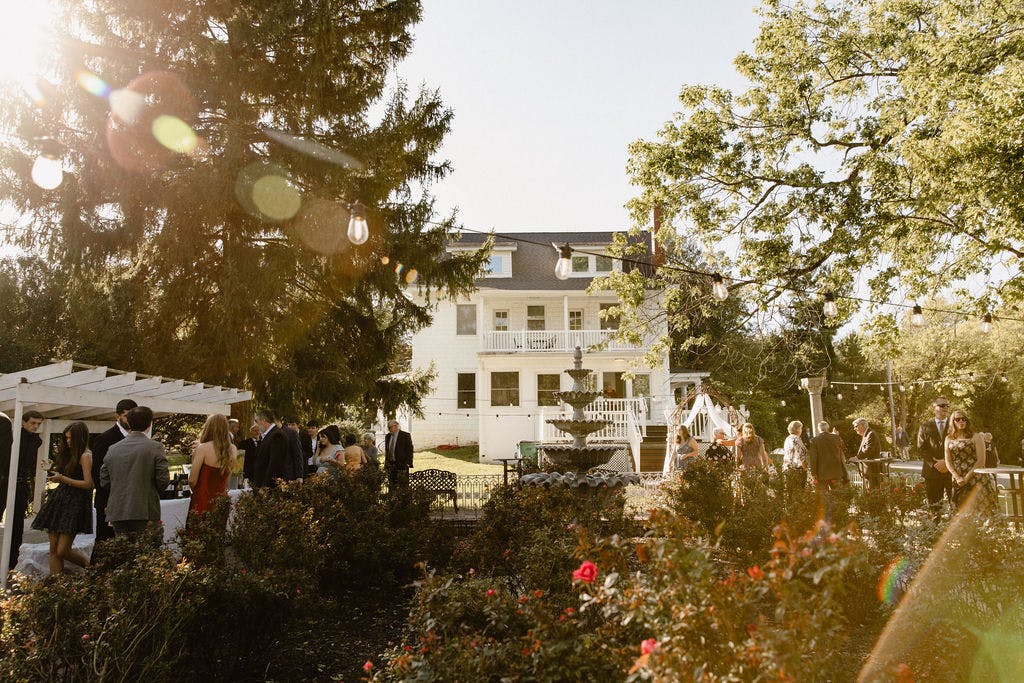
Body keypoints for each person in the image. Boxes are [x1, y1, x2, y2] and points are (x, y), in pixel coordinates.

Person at [31, 422, 94, 575]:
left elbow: (89, 484)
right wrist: (53, 471)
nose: (68, 442)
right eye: (66, 438)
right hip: (59, 501)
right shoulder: (69, 454)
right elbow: (65, 476)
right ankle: (55, 587)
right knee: (53, 549)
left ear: (80, 438)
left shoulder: (85, 456)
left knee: (62, 551)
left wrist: (63, 479)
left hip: (75, 504)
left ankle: (93, 569)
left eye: (70, 438)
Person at [99, 406, 169, 541]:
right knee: (147, 554)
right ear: (149, 424)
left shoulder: (113, 448)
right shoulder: (155, 447)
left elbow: (104, 480)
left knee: (124, 553)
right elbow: (163, 480)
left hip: (118, 510)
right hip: (145, 510)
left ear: (129, 423)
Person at [90, 398, 138, 556]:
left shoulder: (137, 438)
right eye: (127, 416)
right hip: (108, 501)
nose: (130, 419)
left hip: (130, 502)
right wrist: (109, 500)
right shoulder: (104, 439)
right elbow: (97, 474)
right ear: (117, 416)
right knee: (105, 544)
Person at [2, 410, 43, 570]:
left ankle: (11, 565)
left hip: (20, 484)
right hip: (5, 481)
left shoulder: (35, 440)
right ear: (24, 422)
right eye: (32, 423)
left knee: (17, 526)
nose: (35, 426)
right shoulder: (13, 436)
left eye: (38, 424)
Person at [944, 411, 997, 514]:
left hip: (976, 477)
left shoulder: (976, 436)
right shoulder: (948, 439)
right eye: (958, 419)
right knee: (958, 511)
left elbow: (981, 461)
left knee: (981, 510)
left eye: (964, 419)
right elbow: (948, 461)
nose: (961, 421)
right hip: (958, 479)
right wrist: (957, 477)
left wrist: (966, 478)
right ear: (953, 421)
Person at [187, 414, 237, 518]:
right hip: (221, 500)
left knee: (197, 532)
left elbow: (192, 480)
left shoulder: (203, 448)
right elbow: (227, 478)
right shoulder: (233, 449)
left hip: (202, 500)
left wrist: (198, 492)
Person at [918, 397, 953, 520]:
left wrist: (946, 462)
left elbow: (959, 445)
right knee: (934, 508)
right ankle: (935, 534)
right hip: (932, 472)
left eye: (947, 406)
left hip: (952, 472)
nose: (945, 408)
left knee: (956, 504)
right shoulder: (925, 426)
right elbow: (922, 448)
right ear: (934, 408)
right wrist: (935, 463)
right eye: (942, 405)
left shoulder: (955, 424)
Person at [253, 410, 290, 488]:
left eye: (257, 421)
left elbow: (274, 463)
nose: (257, 425)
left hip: (271, 486)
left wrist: (265, 486)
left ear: (263, 420)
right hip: (263, 483)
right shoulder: (268, 435)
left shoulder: (277, 435)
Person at [808, 421, 849, 490]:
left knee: (824, 497)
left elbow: (813, 458)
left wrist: (813, 473)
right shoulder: (837, 438)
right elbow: (843, 449)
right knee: (837, 495)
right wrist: (837, 435)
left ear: (818, 429)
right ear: (828, 428)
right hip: (836, 472)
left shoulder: (814, 441)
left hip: (821, 473)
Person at [852, 418, 883, 489]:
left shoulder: (871, 434)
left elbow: (868, 450)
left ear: (862, 425)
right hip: (868, 469)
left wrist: (856, 458)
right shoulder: (867, 434)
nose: (854, 428)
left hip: (871, 468)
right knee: (869, 491)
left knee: (873, 490)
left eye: (856, 426)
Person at [384, 420, 414, 490]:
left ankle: (403, 500)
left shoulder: (405, 435)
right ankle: (392, 499)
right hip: (391, 465)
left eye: (390, 427)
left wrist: (407, 463)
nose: (389, 429)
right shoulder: (388, 436)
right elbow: (387, 451)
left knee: (403, 486)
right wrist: (386, 464)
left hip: (402, 464)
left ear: (396, 426)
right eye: (388, 428)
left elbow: (410, 450)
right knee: (391, 486)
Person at [782, 420, 808, 491]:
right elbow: (801, 455)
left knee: (789, 492)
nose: (801, 430)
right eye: (801, 428)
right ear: (798, 429)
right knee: (799, 492)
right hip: (796, 470)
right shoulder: (796, 439)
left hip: (787, 468)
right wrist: (806, 469)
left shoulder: (787, 438)